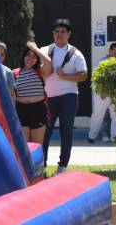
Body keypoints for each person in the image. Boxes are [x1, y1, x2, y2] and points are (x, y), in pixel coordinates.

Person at [28, 19, 88, 174]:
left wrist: (66, 76)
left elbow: (83, 75)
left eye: (63, 32)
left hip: (69, 97)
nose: (60, 34)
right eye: (57, 32)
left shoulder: (76, 53)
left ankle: (62, 167)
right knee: (45, 132)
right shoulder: (45, 50)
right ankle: (44, 166)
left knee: (66, 131)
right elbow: (34, 67)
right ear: (53, 34)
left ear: (69, 34)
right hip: (48, 98)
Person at [13, 47, 49, 145]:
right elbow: (12, 96)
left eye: (34, 57)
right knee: (25, 147)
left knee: (37, 146)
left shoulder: (40, 71)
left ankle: (41, 161)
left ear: (37, 59)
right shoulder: (15, 73)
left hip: (38, 110)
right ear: (24, 56)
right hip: (21, 111)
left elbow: (48, 62)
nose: (30, 58)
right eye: (28, 55)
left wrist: (35, 49)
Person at [88, 43, 116, 144]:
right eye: (114, 50)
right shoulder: (102, 62)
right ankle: (91, 136)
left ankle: (115, 138)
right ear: (109, 51)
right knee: (98, 115)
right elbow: (96, 78)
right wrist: (102, 90)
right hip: (102, 94)